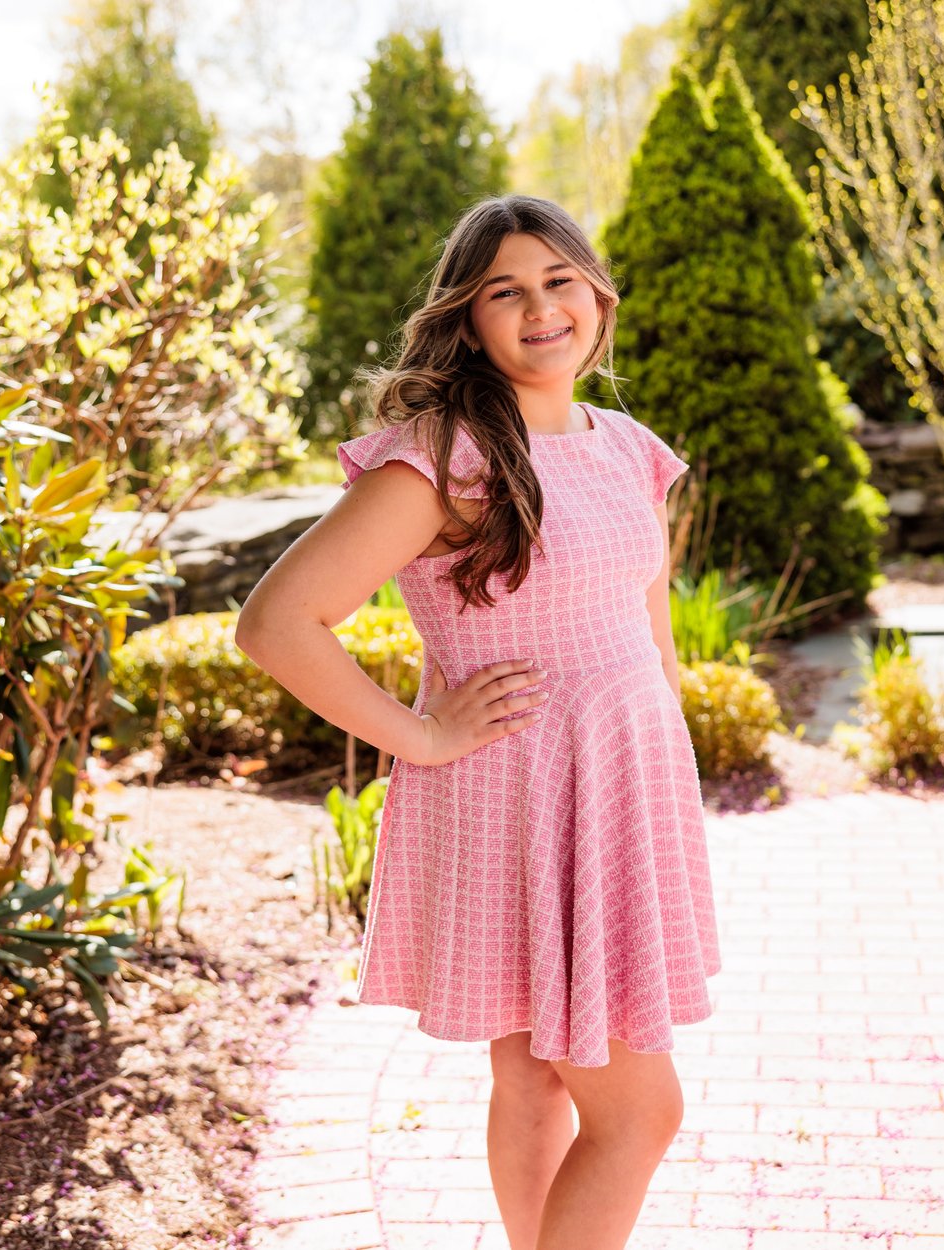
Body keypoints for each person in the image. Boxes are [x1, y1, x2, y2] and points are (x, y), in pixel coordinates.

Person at [234, 193, 722, 1250]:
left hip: (616, 795)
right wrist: (423, 735)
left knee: (537, 1076)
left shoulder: (629, 448)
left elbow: (646, 631)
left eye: (558, 282)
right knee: (641, 1110)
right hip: (512, 793)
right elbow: (276, 621)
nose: (541, 309)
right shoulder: (447, 455)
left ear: (596, 295)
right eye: (506, 291)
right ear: (468, 318)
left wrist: (663, 772)